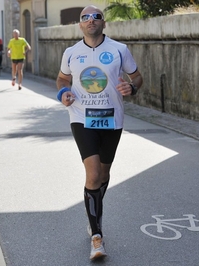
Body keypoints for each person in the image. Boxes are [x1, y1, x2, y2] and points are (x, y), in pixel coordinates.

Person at [56, 5, 143, 260]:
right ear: (80, 25)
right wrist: (64, 93)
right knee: (93, 173)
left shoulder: (119, 50)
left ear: (104, 24)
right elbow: (62, 79)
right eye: (85, 17)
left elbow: (137, 77)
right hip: (82, 117)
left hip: (112, 119)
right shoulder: (71, 53)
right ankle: (97, 236)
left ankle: (94, 209)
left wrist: (132, 88)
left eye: (96, 17)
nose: (91, 20)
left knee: (104, 173)